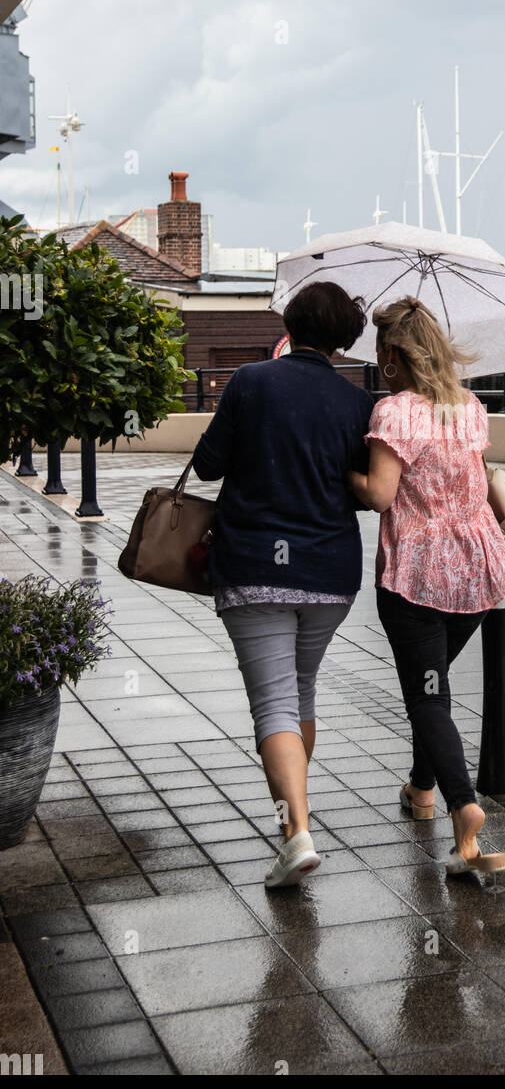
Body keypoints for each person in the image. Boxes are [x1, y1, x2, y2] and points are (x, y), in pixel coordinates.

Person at [192, 281, 371, 888]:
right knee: (301, 693)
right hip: (330, 573)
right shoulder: (357, 403)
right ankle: (293, 815)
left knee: (274, 704)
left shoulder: (249, 381)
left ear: (290, 325)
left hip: (254, 568)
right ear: (343, 338)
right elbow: (364, 489)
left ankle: (296, 832)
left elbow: (209, 463)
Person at [348, 296, 505, 875]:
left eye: (378, 350)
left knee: (428, 696)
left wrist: (343, 469)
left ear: (393, 354)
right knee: (433, 683)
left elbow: (379, 495)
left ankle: (464, 808)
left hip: (416, 575)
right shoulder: (468, 407)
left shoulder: (394, 413)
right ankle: (422, 788)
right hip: (475, 571)